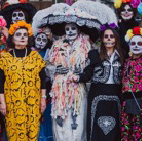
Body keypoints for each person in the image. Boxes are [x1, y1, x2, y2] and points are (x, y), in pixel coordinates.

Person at [43, 8, 101, 141]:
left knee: (77, 121)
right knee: (60, 122)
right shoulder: (56, 46)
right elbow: (48, 66)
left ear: (78, 30)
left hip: (78, 89)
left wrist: (79, 75)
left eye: (73, 28)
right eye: (67, 29)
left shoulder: (87, 46)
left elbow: (91, 67)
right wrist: (55, 69)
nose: (70, 31)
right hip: (60, 90)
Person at [70, 23, 123, 141]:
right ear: (102, 39)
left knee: (115, 126)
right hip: (97, 95)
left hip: (116, 96)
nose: (109, 39)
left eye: (112, 36)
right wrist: (78, 77)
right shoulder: (94, 54)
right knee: (96, 126)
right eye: (106, 36)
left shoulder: (122, 55)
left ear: (116, 39)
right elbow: (87, 73)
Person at [0, 21, 46, 141]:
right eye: (18, 34)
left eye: (25, 34)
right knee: (15, 135)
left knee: (33, 134)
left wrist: (43, 99)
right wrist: (2, 103)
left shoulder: (36, 57)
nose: (23, 37)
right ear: (12, 38)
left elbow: (43, 79)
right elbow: (0, 82)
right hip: (12, 104)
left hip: (33, 103)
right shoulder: (5, 59)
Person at [34, 30, 53, 141]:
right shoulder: (30, 52)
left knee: (45, 115)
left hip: (46, 89)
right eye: (39, 39)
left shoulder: (49, 53)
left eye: (44, 40)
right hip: (33, 88)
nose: (41, 42)